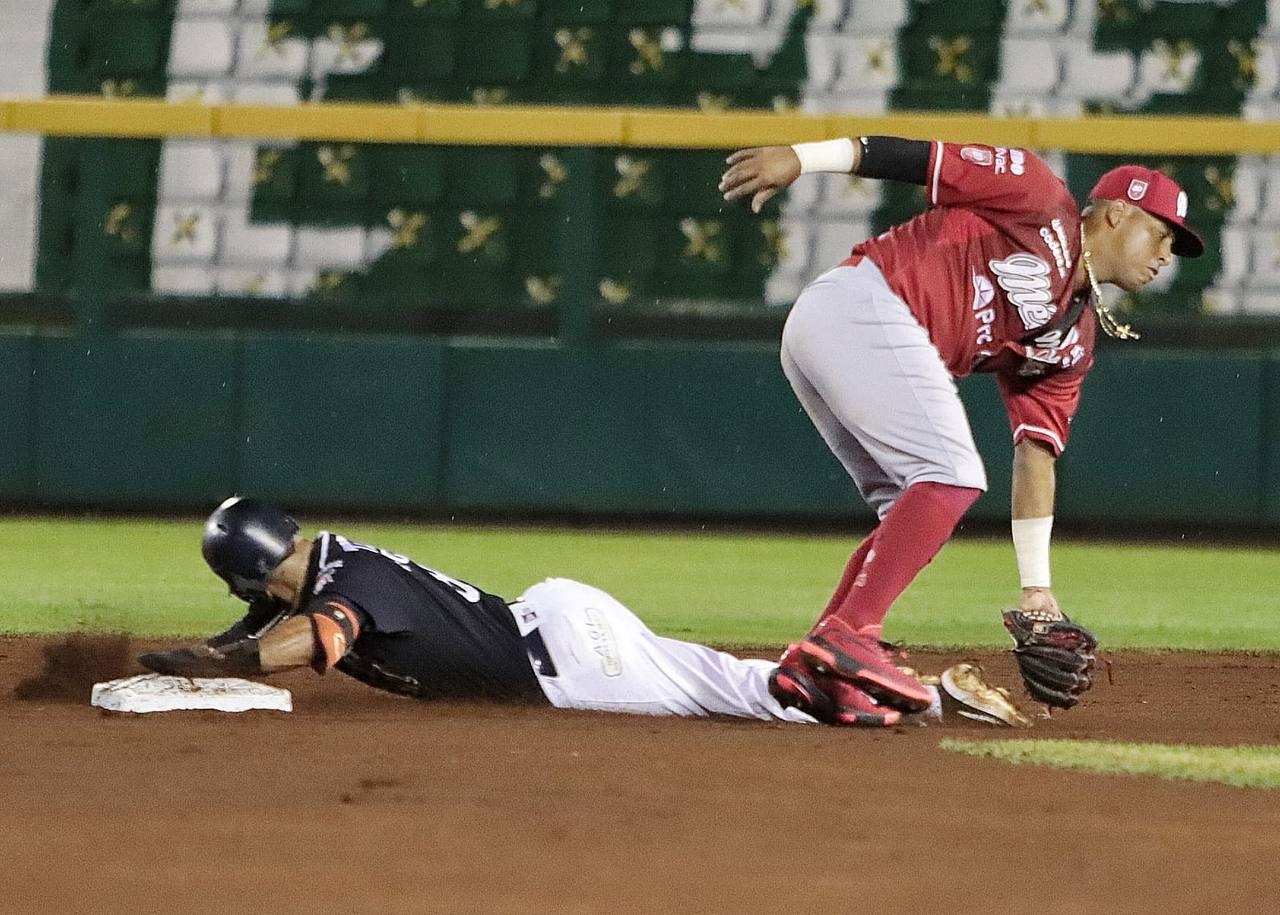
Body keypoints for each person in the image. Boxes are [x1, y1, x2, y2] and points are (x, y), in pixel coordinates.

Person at [718, 136, 1202, 724]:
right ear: (1118, 212)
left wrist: (1037, 590)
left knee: (912, 505)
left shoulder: (1072, 338)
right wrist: (803, 158)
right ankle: (852, 634)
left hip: (848, 335)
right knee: (951, 476)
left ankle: (818, 662)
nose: (1165, 254)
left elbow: (1036, 455)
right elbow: (923, 159)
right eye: (1161, 233)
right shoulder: (1037, 195)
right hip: (859, 302)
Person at [139, 496, 931, 726]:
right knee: (720, 680)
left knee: (743, 701)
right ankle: (847, 678)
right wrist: (190, 664)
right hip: (551, 625)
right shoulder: (311, 567)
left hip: (569, 658)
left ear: (243, 573)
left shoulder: (349, 581)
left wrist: (238, 665)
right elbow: (244, 636)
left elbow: (319, 640)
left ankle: (904, 693)